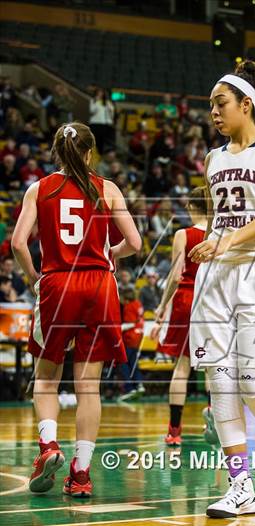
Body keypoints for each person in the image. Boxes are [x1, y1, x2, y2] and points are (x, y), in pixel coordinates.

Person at [188, 60, 255, 518]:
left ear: (245, 104)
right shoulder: (213, 159)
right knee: (221, 387)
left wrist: (224, 240)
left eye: (220, 104)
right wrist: (209, 244)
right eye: (211, 106)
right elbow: (218, 220)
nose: (213, 113)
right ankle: (240, 489)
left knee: (254, 386)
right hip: (218, 276)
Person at [11, 122, 141, 498]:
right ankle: (81, 474)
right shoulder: (108, 188)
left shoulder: (40, 189)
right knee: (89, 388)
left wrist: (35, 277)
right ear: (90, 153)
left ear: (56, 152)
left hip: (58, 283)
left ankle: (49, 445)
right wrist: (110, 254)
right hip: (100, 286)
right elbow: (134, 241)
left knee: (47, 378)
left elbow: (19, 243)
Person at [150, 187, 210, 445]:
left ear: (190, 207)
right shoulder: (220, 234)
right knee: (211, 366)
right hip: (213, 301)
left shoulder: (183, 234)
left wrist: (163, 306)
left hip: (187, 299)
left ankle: (174, 431)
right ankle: (216, 421)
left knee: (182, 367)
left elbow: (175, 277)